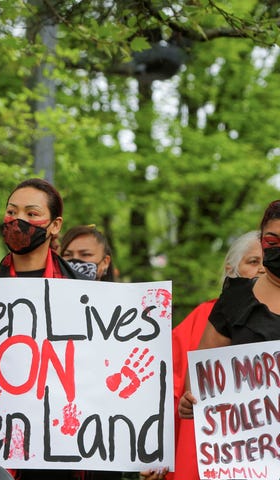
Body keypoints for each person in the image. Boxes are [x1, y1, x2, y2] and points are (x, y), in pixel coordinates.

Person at [60, 225, 168, 480]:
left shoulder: (131, 316)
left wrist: (146, 454)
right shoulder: (42, 310)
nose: (76, 261)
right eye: (68, 255)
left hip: (105, 440)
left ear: (105, 262)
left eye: (85, 255)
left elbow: (147, 389)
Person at [166, 230, 264, 480]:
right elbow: (167, 390)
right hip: (204, 457)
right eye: (253, 262)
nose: (263, 269)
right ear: (232, 270)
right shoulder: (202, 318)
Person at [179, 199, 280, 422]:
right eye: (272, 241)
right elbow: (200, 377)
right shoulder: (236, 298)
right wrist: (191, 400)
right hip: (252, 445)